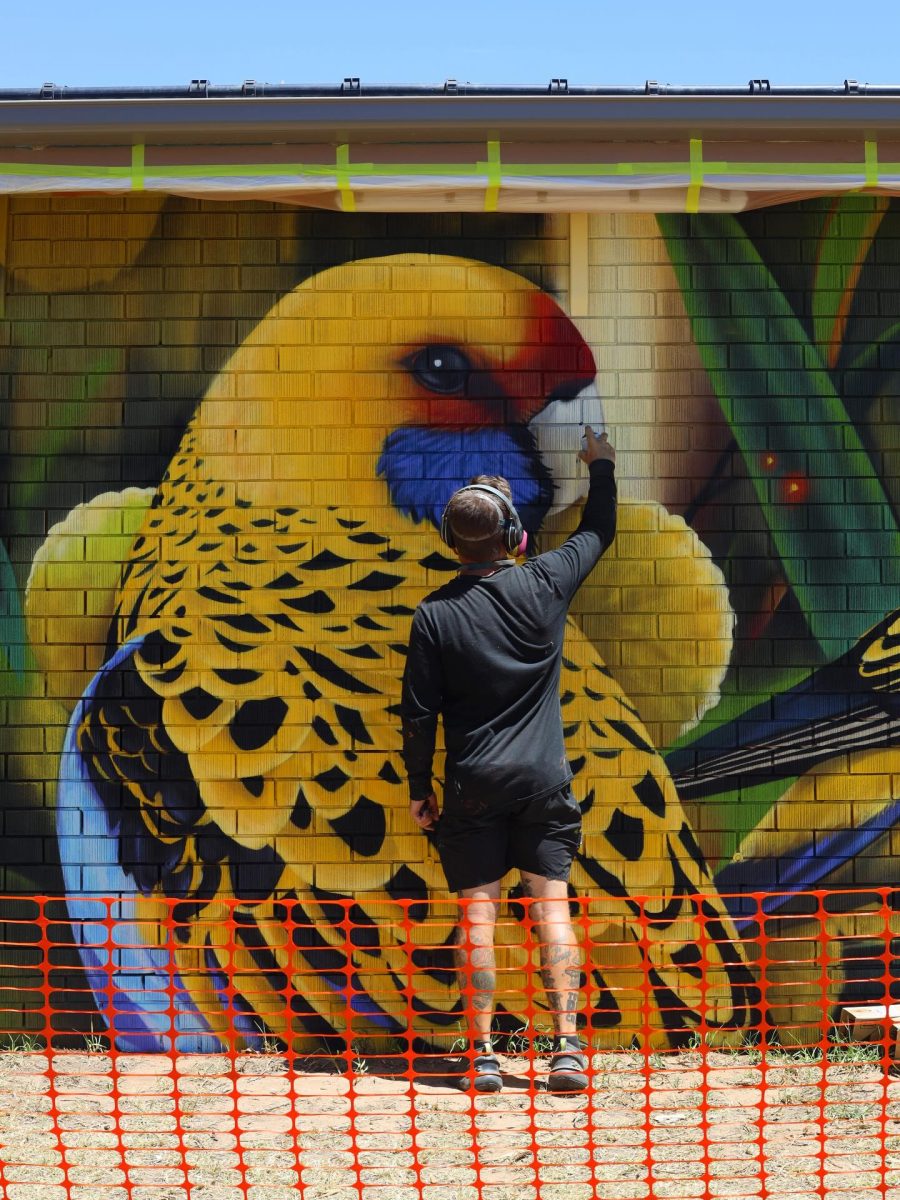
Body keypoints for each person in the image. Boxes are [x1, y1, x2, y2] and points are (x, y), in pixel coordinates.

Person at [400, 426, 617, 1093]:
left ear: (451, 541)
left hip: (470, 787)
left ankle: (484, 1055)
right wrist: (600, 464)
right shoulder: (544, 584)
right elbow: (599, 528)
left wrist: (419, 788)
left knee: (479, 915)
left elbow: (418, 716)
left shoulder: (434, 616)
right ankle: (568, 1050)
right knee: (552, 909)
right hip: (544, 783)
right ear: (513, 535)